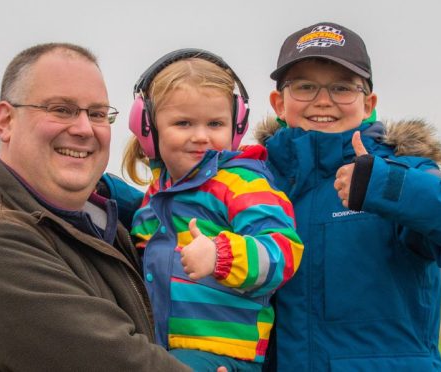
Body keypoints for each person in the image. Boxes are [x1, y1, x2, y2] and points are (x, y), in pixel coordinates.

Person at [0, 43, 192, 371]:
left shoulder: (105, 225)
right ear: (5, 122)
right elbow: (119, 363)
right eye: (62, 110)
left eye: (98, 114)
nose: (84, 129)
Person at [254, 22, 441, 371]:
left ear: (368, 104)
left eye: (342, 87)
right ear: (279, 103)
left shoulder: (402, 173)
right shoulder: (254, 183)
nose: (323, 100)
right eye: (305, 86)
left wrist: (384, 186)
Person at [122, 48, 304, 371]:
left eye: (215, 123)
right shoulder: (156, 195)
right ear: (149, 129)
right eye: (183, 123)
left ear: (236, 127)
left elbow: (283, 251)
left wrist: (221, 256)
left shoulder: (242, 182)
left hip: (225, 356)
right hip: (164, 347)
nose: (201, 136)